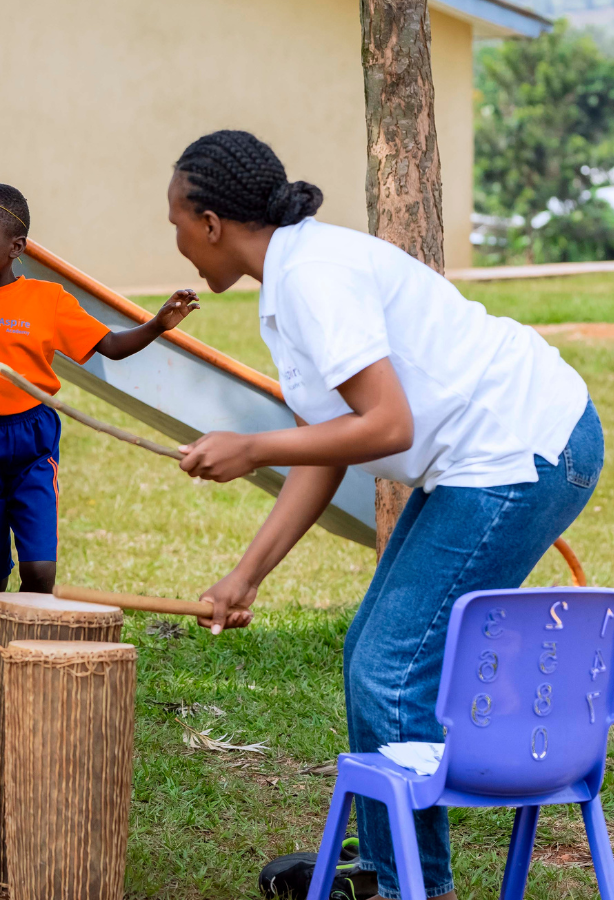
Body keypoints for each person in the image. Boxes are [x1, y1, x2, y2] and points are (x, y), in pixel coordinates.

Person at [168, 130, 598, 900]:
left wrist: (253, 446)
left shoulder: (312, 279)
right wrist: (246, 576)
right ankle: (384, 870)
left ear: (208, 221)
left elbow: (387, 425)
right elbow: (330, 446)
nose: (177, 245)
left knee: (393, 666)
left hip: (523, 445)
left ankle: (413, 887)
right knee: (374, 649)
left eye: (175, 224)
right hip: (485, 453)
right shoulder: (292, 278)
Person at [0, 183, 198, 728]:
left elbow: (107, 345)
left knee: (39, 569)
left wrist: (157, 325)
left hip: (33, 439)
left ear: (16, 246)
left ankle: (29, 673)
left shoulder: (47, 300)